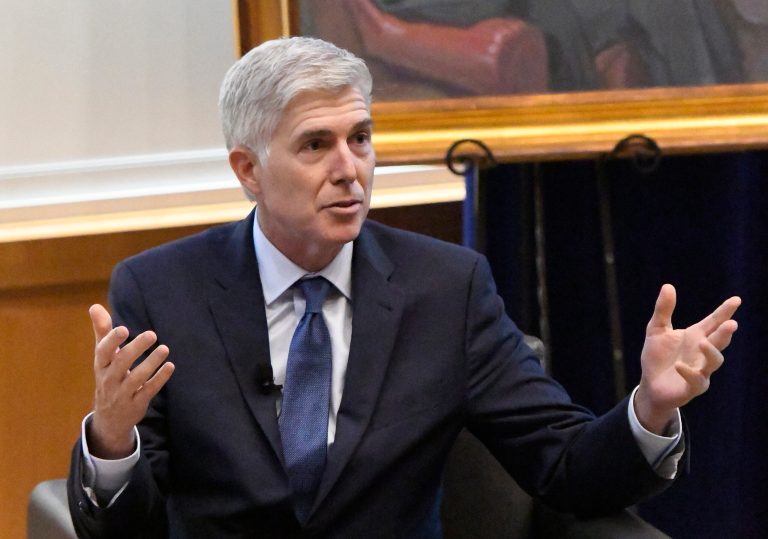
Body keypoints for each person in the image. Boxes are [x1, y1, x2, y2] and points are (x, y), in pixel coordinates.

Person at [67, 36, 741, 538]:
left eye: (361, 138)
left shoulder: (446, 288)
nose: (350, 170)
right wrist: (113, 441)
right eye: (315, 145)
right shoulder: (161, 289)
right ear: (249, 168)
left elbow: (563, 465)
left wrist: (650, 407)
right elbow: (124, 528)